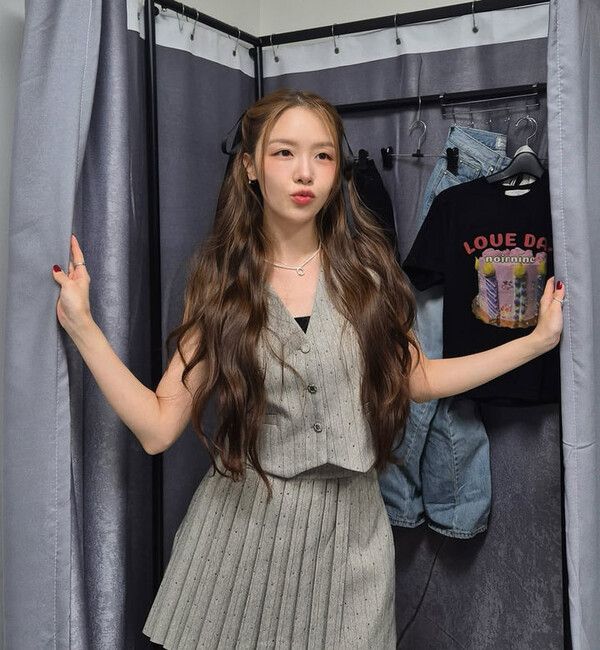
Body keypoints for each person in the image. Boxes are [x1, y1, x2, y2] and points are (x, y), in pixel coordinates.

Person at [51, 88, 565, 649]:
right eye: (284, 153)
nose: (305, 172)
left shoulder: (367, 273)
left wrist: (535, 343)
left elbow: (416, 380)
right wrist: (83, 326)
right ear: (250, 167)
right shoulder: (222, 284)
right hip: (241, 539)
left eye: (322, 155)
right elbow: (157, 428)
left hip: (352, 545)